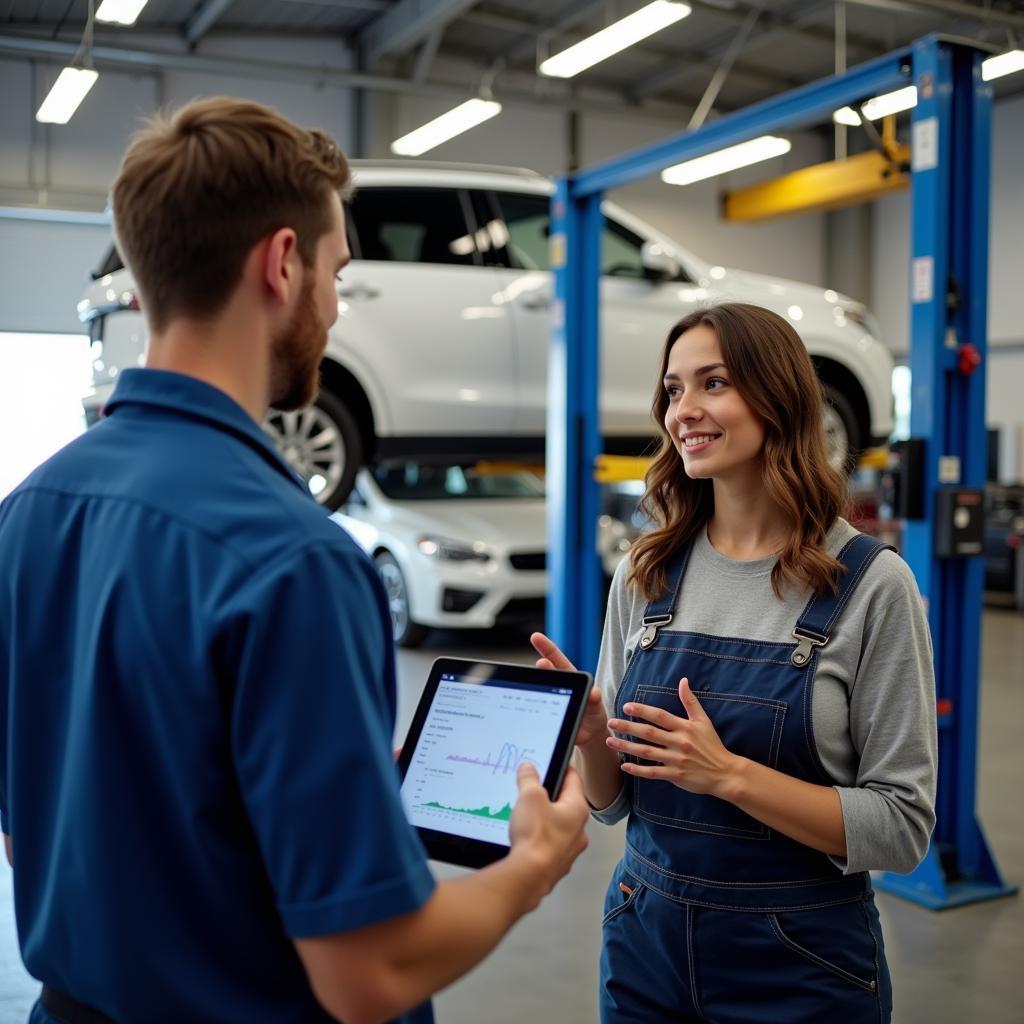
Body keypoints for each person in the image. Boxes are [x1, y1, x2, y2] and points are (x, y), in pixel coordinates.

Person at [0, 97, 589, 1024]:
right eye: (337, 271)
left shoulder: (30, 511)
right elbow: (372, 975)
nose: (335, 303)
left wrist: (323, 770)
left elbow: (50, 806)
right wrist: (533, 866)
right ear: (282, 263)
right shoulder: (294, 562)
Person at [532, 303, 937, 1023]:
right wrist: (595, 741)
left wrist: (730, 776)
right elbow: (615, 805)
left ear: (777, 396)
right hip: (643, 942)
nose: (684, 409)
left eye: (712, 383)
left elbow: (902, 827)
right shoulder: (645, 572)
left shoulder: (871, 586)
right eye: (673, 389)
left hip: (800, 962)